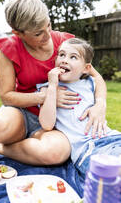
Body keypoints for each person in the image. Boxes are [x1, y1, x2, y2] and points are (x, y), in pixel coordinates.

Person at [0, 0, 107, 170]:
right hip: (23, 113)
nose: (47, 35)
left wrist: (100, 104)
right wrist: (45, 97)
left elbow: (96, 77)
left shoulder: (67, 45)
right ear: (18, 33)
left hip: (57, 124)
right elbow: (7, 97)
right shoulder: (9, 49)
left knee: (55, 153)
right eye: (38, 33)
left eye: (48, 26)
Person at [37, 37, 121, 180]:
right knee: (114, 173)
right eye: (61, 55)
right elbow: (46, 124)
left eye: (73, 57)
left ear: (86, 68)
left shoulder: (90, 83)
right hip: (87, 150)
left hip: (112, 138)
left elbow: (101, 84)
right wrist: (52, 86)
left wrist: (100, 103)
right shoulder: (48, 89)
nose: (64, 60)